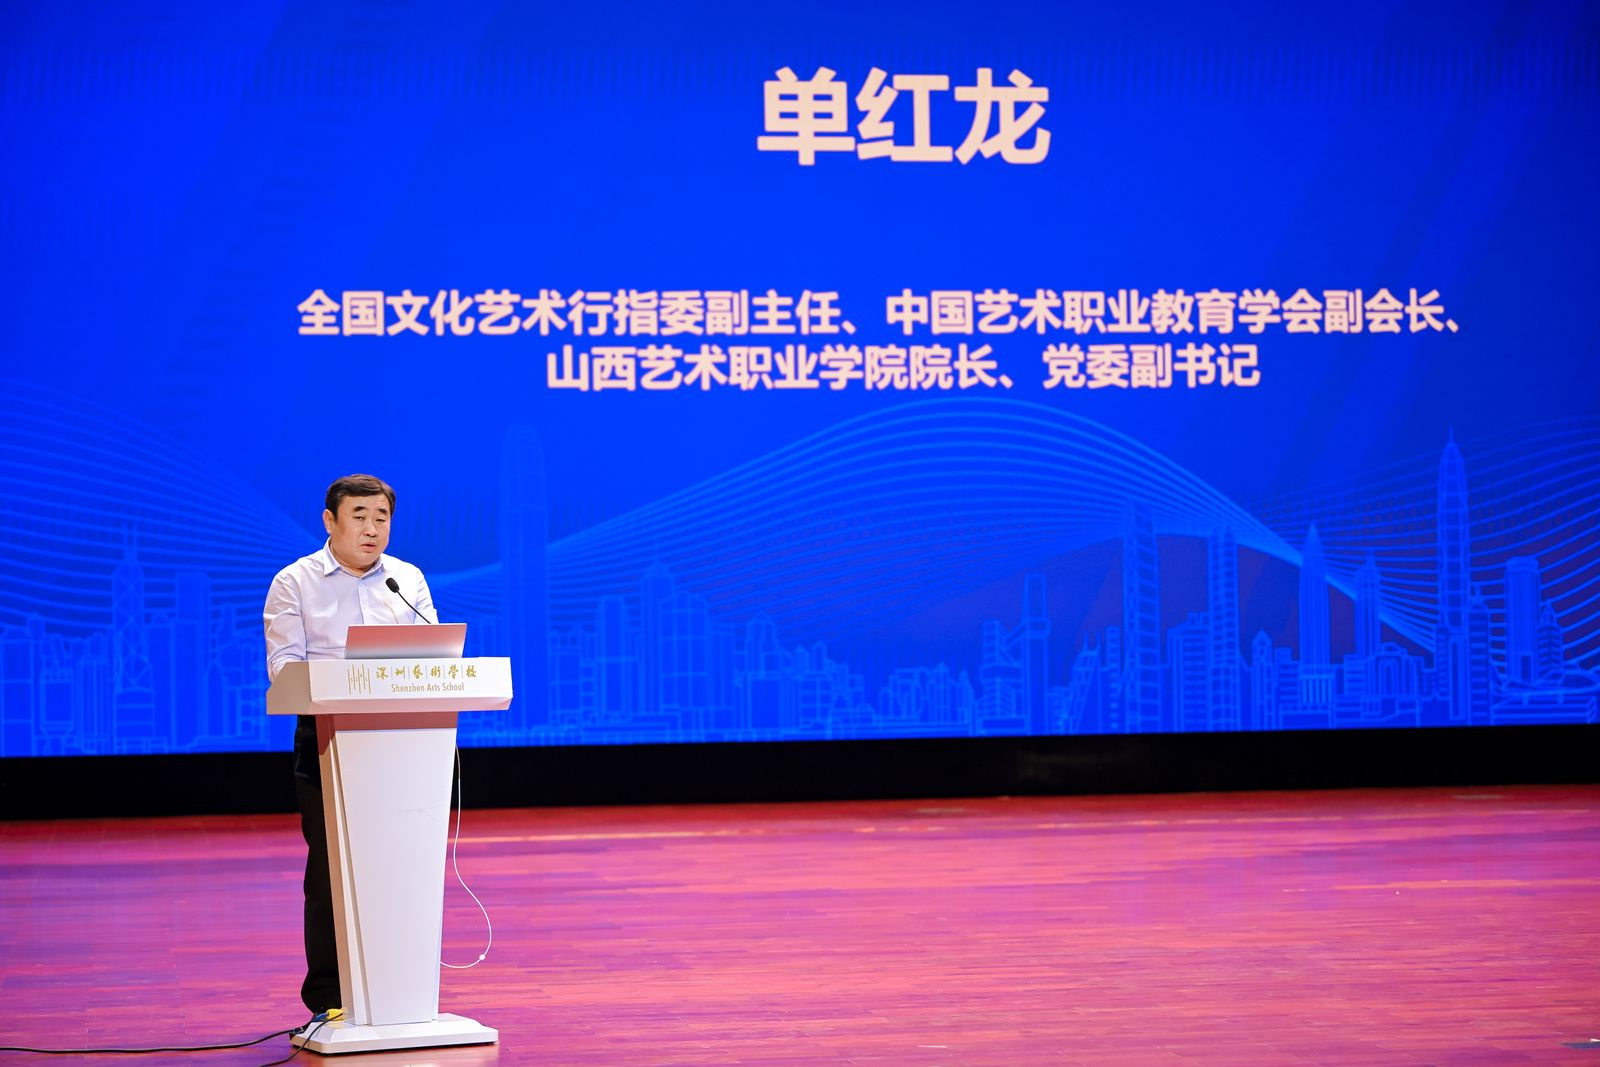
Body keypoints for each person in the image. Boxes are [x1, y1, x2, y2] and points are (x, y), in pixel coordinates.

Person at [262, 474, 436, 1014]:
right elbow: (283, 667)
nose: (371, 528)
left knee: (402, 866)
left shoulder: (406, 579)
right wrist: (342, 683)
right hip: (327, 740)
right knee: (331, 870)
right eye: (359, 516)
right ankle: (329, 997)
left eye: (381, 518)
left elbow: (433, 655)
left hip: (403, 742)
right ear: (329, 521)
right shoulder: (295, 582)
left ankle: (400, 992)